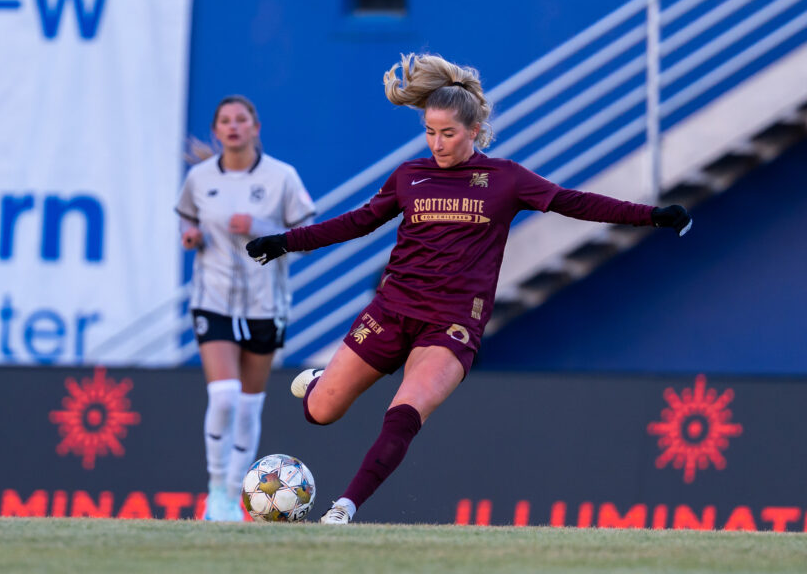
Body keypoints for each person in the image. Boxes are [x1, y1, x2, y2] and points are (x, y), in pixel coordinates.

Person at [246, 54, 691, 524]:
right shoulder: (409, 176)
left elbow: (574, 202)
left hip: (451, 325)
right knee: (320, 411)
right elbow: (356, 222)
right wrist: (285, 242)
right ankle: (320, 384)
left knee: (404, 413)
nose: (437, 143)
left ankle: (344, 508)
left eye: (448, 133)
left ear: (474, 130)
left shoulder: (506, 179)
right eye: (430, 132)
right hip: (391, 310)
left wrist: (651, 215)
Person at [176, 95, 316, 521]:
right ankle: (216, 491)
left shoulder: (282, 177)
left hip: (264, 303)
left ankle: (235, 495)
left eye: (241, 119)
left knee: (249, 404)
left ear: (255, 128)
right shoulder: (199, 178)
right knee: (223, 396)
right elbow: (187, 217)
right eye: (225, 120)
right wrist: (191, 235)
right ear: (216, 131)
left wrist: (259, 227)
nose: (233, 126)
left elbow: (307, 236)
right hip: (213, 300)